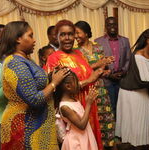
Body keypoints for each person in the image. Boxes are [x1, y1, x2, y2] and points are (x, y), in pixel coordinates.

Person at [0, 21, 69, 149]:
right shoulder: (15, 63)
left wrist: (51, 76)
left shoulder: (25, 59)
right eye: (30, 36)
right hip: (24, 127)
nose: (34, 40)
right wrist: (54, 83)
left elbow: (33, 83)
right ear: (17, 39)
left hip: (38, 123)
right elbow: (34, 99)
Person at [46, 19, 104, 150]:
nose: (67, 38)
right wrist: (89, 80)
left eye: (70, 34)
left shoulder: (79, 53)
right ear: (57, 37)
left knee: (90, 139)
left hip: (88, 103)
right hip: (72, 107)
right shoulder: (54, 58)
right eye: (63, 35)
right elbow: (58, 87)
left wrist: (97, 73)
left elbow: (86, 72)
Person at [75, 20, 116, 149]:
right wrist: (98, 64)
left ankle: (108, 145)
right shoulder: (76, 52)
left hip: (101, 88)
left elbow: (102, 67)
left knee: (106, 118)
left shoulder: (98, 47)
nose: (75, 36)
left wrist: (105, 69)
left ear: (86, 33)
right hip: (87, 90)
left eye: (78, 33)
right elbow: (81, 71)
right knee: (93, 119)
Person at [51, 69, 99, 150]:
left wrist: (87, 101)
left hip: (83, 136)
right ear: (68, 86)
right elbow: (81, 125)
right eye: (77, 82)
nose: (79, 84)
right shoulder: (65, 107)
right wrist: (88, 104)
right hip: (76, 141)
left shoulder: (74, 99)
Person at [94, 17, 131, 115]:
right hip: (106, 80)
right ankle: (113, 129)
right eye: (109, 25)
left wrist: (122, 72)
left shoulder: (125, 41)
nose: (112, 27)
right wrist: (109, 75)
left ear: (117, 26)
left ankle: (122, 129)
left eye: (114, 24)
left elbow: (128, 59)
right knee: (110, 108)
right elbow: (97, 62)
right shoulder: (97, 42)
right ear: (106, 27)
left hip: (122, 80)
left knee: (123, 107)